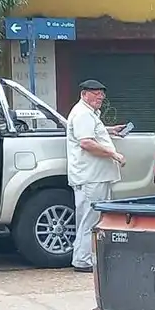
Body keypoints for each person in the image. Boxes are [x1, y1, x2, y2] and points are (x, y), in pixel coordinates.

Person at [66, 78, 124, 273]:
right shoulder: (83, 114)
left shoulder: (89, 114)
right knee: (89, 219)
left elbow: (89, 134)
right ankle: (83, 260)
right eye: (96, 93)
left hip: (95, 176)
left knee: (93, 217)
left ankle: (87, 258)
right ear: (84, 94)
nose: (100, 97)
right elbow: (86, 143)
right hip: (90, 176)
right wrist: (113, 154)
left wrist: (109, 131)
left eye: (102, 93)